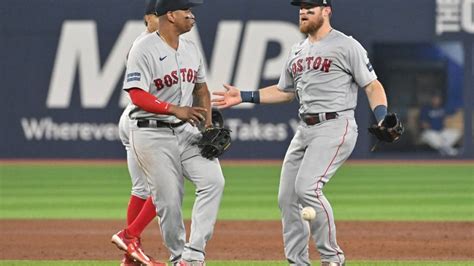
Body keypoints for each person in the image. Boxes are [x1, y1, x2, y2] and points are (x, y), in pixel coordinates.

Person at [212, 0, 391, 265]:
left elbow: (372, 85)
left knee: (308, 187)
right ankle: (297, 261)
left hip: (335, 124)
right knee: (287, 198)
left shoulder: (346, 45)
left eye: (311, 7)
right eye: (301, 8)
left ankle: (332, 258)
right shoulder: (298, 51)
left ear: (326, 11)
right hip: (305, 129)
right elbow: (285, 92)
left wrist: (383, 116)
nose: (304, 11)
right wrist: (244, 95)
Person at [118, 0, 225, 265]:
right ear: (171, 15)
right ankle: (179, 258)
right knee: (168, 200)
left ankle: (193, 254)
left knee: (213, 181)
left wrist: (208, 126)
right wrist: (173, 109)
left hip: (185, 131)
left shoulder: (191, 48)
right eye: (187, 11)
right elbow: (136, 95)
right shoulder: (143, 49)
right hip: (150, 133)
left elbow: (201, 90)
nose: (192, 15)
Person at [111, 1, 165, 266]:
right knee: (165, 188)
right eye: (159, 14)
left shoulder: (158, 43)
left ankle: (130, 256)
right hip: (141, 120)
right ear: (148, 18)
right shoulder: (145, 45)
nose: (165, 18)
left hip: (135, 119)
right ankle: (129, 236)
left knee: (142, 189)